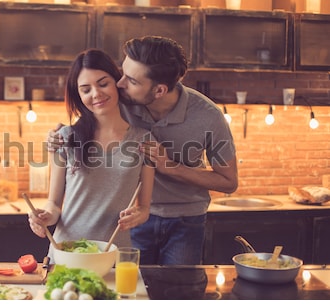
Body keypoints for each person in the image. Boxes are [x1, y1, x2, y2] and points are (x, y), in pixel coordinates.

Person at [47, 36, 238, 265]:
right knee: (136, 289)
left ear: (158, 91)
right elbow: (93, 106)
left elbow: (229, 182)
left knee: (178, 289)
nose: (120, 83)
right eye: (122, 73)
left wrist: (171, 168)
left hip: (184, 218)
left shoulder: (208, 117)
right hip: (130, 221)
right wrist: (62, 135)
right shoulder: (123, 99)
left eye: (130, 80)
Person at [28, 49, 155, 261]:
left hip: (115, 256)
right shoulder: (65, 137)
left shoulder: (144, 140)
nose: (96, 94)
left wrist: (139, 215)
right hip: (67, 252)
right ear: (78, 95)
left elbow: (144, 208)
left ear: (117, 83)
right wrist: (44, 216)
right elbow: (54, 204)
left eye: (103, 83)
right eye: (86, 89)